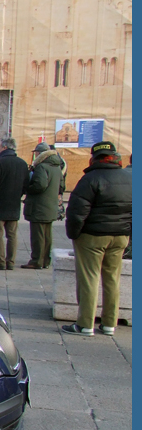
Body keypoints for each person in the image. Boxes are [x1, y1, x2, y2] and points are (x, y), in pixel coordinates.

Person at [61, 141, 132, 335]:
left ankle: (85, 324)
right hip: (120, 236)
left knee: (89, 279)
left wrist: (74, 234)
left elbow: (77, 212)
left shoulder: (90, 179)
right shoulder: (129, 178)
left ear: (94, 158)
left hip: (92, 237)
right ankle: (109, 324)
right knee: (112, 279)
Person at [0, 137, 30, 270]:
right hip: (14, 204)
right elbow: (26, 184)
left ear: (5, 148)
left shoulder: (0, 163)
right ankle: (11, 262)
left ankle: (0, 261)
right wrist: (17, 195)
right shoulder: (22, 163)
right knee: (12, 235)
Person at [21, 142, 65, 269]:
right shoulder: (56, 167)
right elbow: (62, 186)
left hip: (39, 206)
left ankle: (36, 261)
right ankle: (45, 260)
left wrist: (28, 188)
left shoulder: (41, 167)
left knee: (38, 236)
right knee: (47, 236)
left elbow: (40, 185)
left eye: (36, 153)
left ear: (39, 154)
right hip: (50, 206)